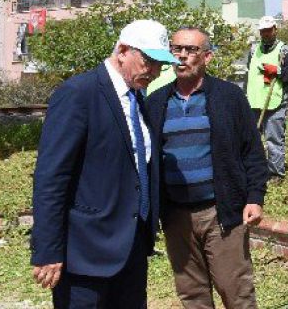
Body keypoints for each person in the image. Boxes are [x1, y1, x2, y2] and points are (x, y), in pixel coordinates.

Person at [30, 20, 179, 308]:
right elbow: (51, 177)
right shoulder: (79, 93)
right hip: (85, 253)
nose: (156, 71)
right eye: (149, 61)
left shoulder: (137, 98)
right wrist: (48, 249)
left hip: (131, 248)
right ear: (123, 50)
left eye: (161, 64)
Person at [145, 27, 269, 309]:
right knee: (192, 294)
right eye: (177, 49)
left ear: (207, 57)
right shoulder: (156, 102)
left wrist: (255, 198)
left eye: (191, 50)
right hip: (176, 217)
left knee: (235, 290)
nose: (183, 57)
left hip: (221, 213)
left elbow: (252, 152)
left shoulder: (229, 97)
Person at [245, 15, 288, 179]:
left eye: (269, 30)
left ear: (275, 30)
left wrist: (277, 71)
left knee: (273, 140)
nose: (266, 34)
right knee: (253, 140)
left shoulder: (284, 51)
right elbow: (250, 74)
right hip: (255, 102)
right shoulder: (254, 50)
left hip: (275, 102)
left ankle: (276, 173)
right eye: (263, 31)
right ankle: (256, 170)